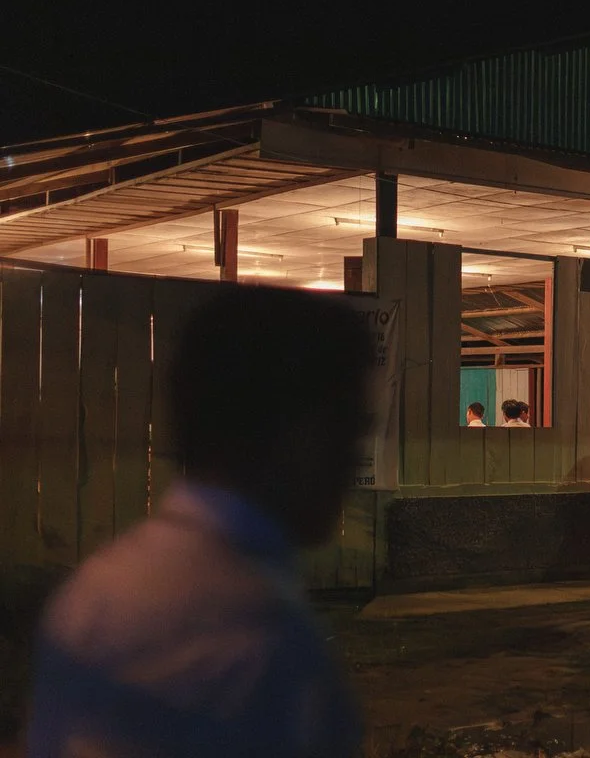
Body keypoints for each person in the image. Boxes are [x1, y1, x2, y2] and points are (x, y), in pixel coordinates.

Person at [27, 286, 375, 757]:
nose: (355, 460)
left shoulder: (93, 589)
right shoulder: (264, 647)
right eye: (350, 429)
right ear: (299, 434)